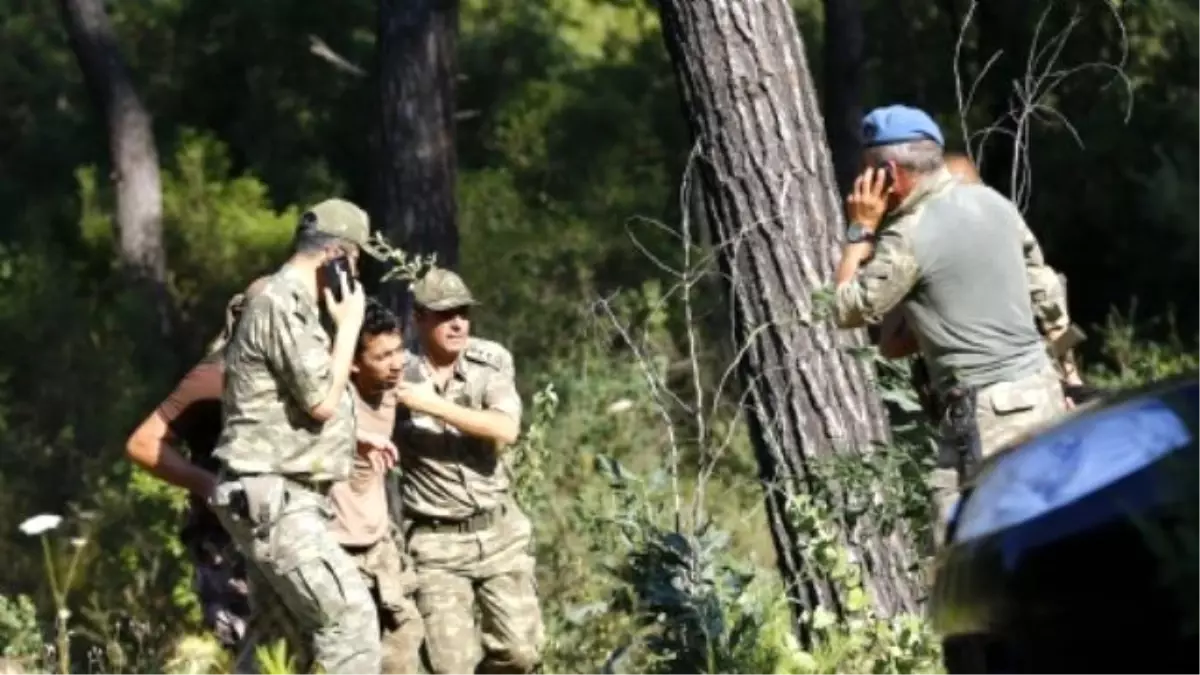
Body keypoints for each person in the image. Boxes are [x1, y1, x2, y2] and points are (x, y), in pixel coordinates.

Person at [831, 104, 1068, 536]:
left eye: (867, 173)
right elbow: (1047, 296)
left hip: (988, 417)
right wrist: (1068, 379)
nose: (860, 185)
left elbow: (845, 307)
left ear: (888, 174)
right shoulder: (993, 202)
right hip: (1043, 393)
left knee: (967, 551)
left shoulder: (909, 234)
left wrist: (859, 229)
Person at [207, 197, 397, 674]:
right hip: (276, 499)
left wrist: (355, 439)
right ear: (340, 258)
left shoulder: (289, 304)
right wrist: (350, 324)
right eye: (356, 262)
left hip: (272, 494)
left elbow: (282, 405)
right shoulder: (282, 303)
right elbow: (320, 401)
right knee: (350, 622)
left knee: (278, 642)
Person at [392, 268, 544, 675]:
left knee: (521, 654)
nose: (458, 323)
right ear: (418, 318)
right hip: (437, 545)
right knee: (450, 668)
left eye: (463, 312)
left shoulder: (489, 361)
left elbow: (505, 429)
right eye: (445, 314)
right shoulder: (394, 369)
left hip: (500, 535)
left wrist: (430, 405)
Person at [877, 153, 1098, 409]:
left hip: (1014, 391)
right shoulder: (930, 255)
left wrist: (1070, 381)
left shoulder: (1007, 256)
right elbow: (890, 345)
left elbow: (1054, 319)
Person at [124, 277, 269, 650]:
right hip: (225, 538)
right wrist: (208, 484)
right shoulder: (213, 377)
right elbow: (143, 443)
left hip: (277, 529)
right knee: (248, 649)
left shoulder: (284, 372)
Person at [326, 298, 424, 674]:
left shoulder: (395, 384)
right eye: (382, 356)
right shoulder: (333, 401)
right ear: (352, 362)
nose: (397, 362)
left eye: (399, 350)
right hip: (336, 548)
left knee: (404, 637)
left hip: (379, 544)